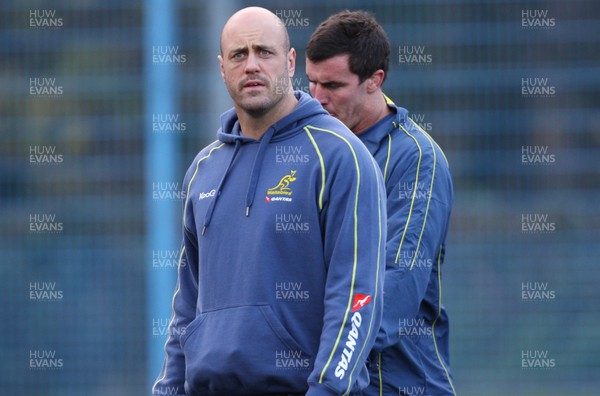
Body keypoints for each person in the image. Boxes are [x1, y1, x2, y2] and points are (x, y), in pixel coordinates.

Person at [152, 7, 386, 396]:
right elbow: (187, 306)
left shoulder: (340, 155)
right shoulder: (203, 170)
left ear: (290, 62)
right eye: (238, 55)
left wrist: (328, 389)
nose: (252, 66)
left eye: (264, 52)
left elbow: (357, 296)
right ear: (221, 68)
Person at [306, 10, 456, 396]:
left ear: (375, 80)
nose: (317, 99)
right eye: (311, 83)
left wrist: (334, 361)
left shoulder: (417, 159)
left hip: (397, 384)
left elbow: (399, 280)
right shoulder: (307, 150)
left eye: (333, 85)